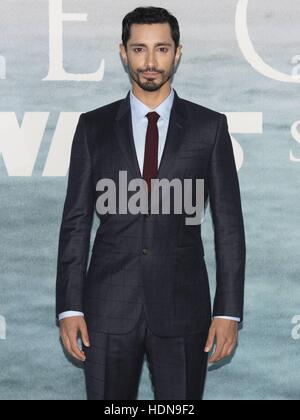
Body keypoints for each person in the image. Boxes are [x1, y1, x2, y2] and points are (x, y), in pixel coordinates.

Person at [56, 6, 246, 400]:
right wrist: (69, 307)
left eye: (161, 49)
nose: (150, 61)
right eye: (139, 49)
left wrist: (227, 311)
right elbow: (75, 222)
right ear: (123, 53)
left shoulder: (209, 127)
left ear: (177, 53)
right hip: (106, 309)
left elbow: (228, 226)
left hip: (184, 308)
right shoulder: (93, 127)